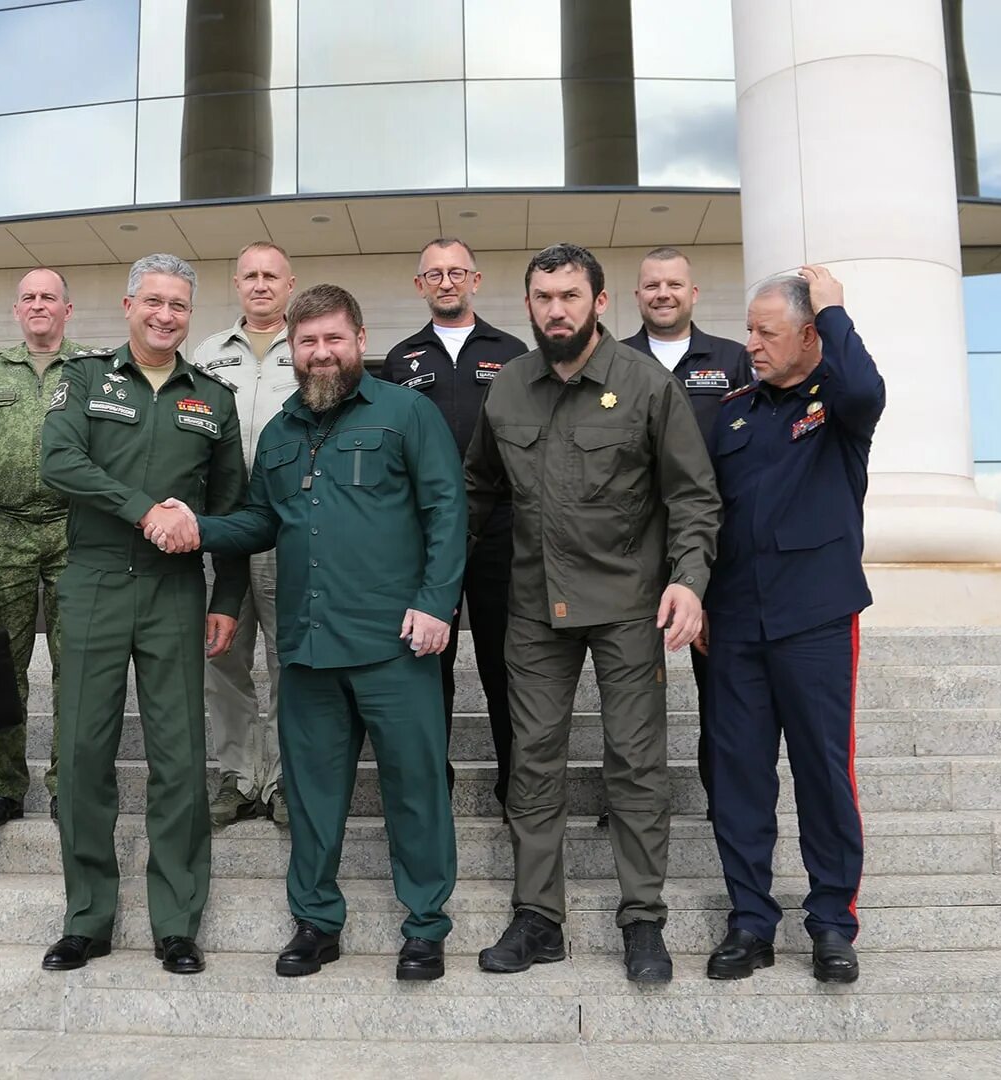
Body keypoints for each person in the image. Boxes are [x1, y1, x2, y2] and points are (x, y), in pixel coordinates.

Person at [158, 283, 465, 981]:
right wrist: (197, 526)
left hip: (396, 642)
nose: (320, 353)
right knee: (312, 794)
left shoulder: (407, 412)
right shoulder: (279, 432)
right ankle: (316, 923)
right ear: (291, 349)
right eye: (307, 342)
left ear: (360, 338)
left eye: (333, 339)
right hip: (307, 645)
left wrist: (437, 603)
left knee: (415, 788)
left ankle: (424, 928)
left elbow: (447, 510)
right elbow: (262, 520)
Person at [464, 243, 719, 985]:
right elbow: (477, 491)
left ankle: (643, 919)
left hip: (628, 605)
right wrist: (433, 581)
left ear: (600, 302)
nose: (556, 310)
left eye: (570, 296)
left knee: (636, 766)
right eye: (543, 297)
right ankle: (537, 917)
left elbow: (694, 496)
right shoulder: (508, 388)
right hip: (534, 606)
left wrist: (690, 580)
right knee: (533, 764)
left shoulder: (646, 385)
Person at [36, 253, 248, 976]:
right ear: (128, 305)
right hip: (94, 581)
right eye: (153, 301)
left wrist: (227, 599)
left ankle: (176, 922)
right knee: (85, 754)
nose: (166, 315)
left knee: (181, 757)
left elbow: (234, 508)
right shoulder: (86, 378)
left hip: (175, 591)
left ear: (191, 315)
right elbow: (58, 461)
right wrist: (144, 509)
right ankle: (87, 917)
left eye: (180, 306)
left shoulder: (210, 399)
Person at [701, 266, 883, 986]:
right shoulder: (736, 412)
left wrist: (836, 310)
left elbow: (863, 389)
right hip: (738, 623)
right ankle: (750, 920)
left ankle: (833, 923)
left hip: (815, 618)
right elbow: (711, 515)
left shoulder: (839, 405)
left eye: (765, 332)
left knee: (822, 775)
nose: (750, 344)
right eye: (748, 329)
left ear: (810, 335)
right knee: (739, 776)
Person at [385, 238, 529, 811]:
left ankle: (514, 783)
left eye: (456, 273)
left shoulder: (514, 350)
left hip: (501, 531)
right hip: (426, 536)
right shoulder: (402, 359)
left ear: (476, 279)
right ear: (420, 285)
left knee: (503, 663)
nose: (446, 282)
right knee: (427, 664)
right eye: (434, 274)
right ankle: (430, 784)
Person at [622, 246, 750, 821]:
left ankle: (725, 797)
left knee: (719, 689)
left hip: (710, 549)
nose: (663, 293)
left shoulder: (733, 361)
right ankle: (632, 799)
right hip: (628, 552)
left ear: (693, 294)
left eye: (674, 284)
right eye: (652, 285)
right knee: (628, 691)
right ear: (636, 296)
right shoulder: (612, 359)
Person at [0, 267, 94, 829]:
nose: (39, 305)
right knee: (1, 665)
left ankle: (69, 782)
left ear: (69, 309)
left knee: (77, 665)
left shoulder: (93, 371)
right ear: (17, 311)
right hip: (5, 532)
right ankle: (6, 786)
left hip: (75, 529)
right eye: (28, 297)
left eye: (49, 296)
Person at [189, 242, 297, 828]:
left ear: (290, 284)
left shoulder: (307, 347)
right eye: (250, 275)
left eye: (271, 276)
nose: (260, 284)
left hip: (287, 533)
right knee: (221, 655)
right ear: (236, 284)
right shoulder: (207, 354)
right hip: (224, 531)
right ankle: (237, 776)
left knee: (288, 657)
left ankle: (281, 779)